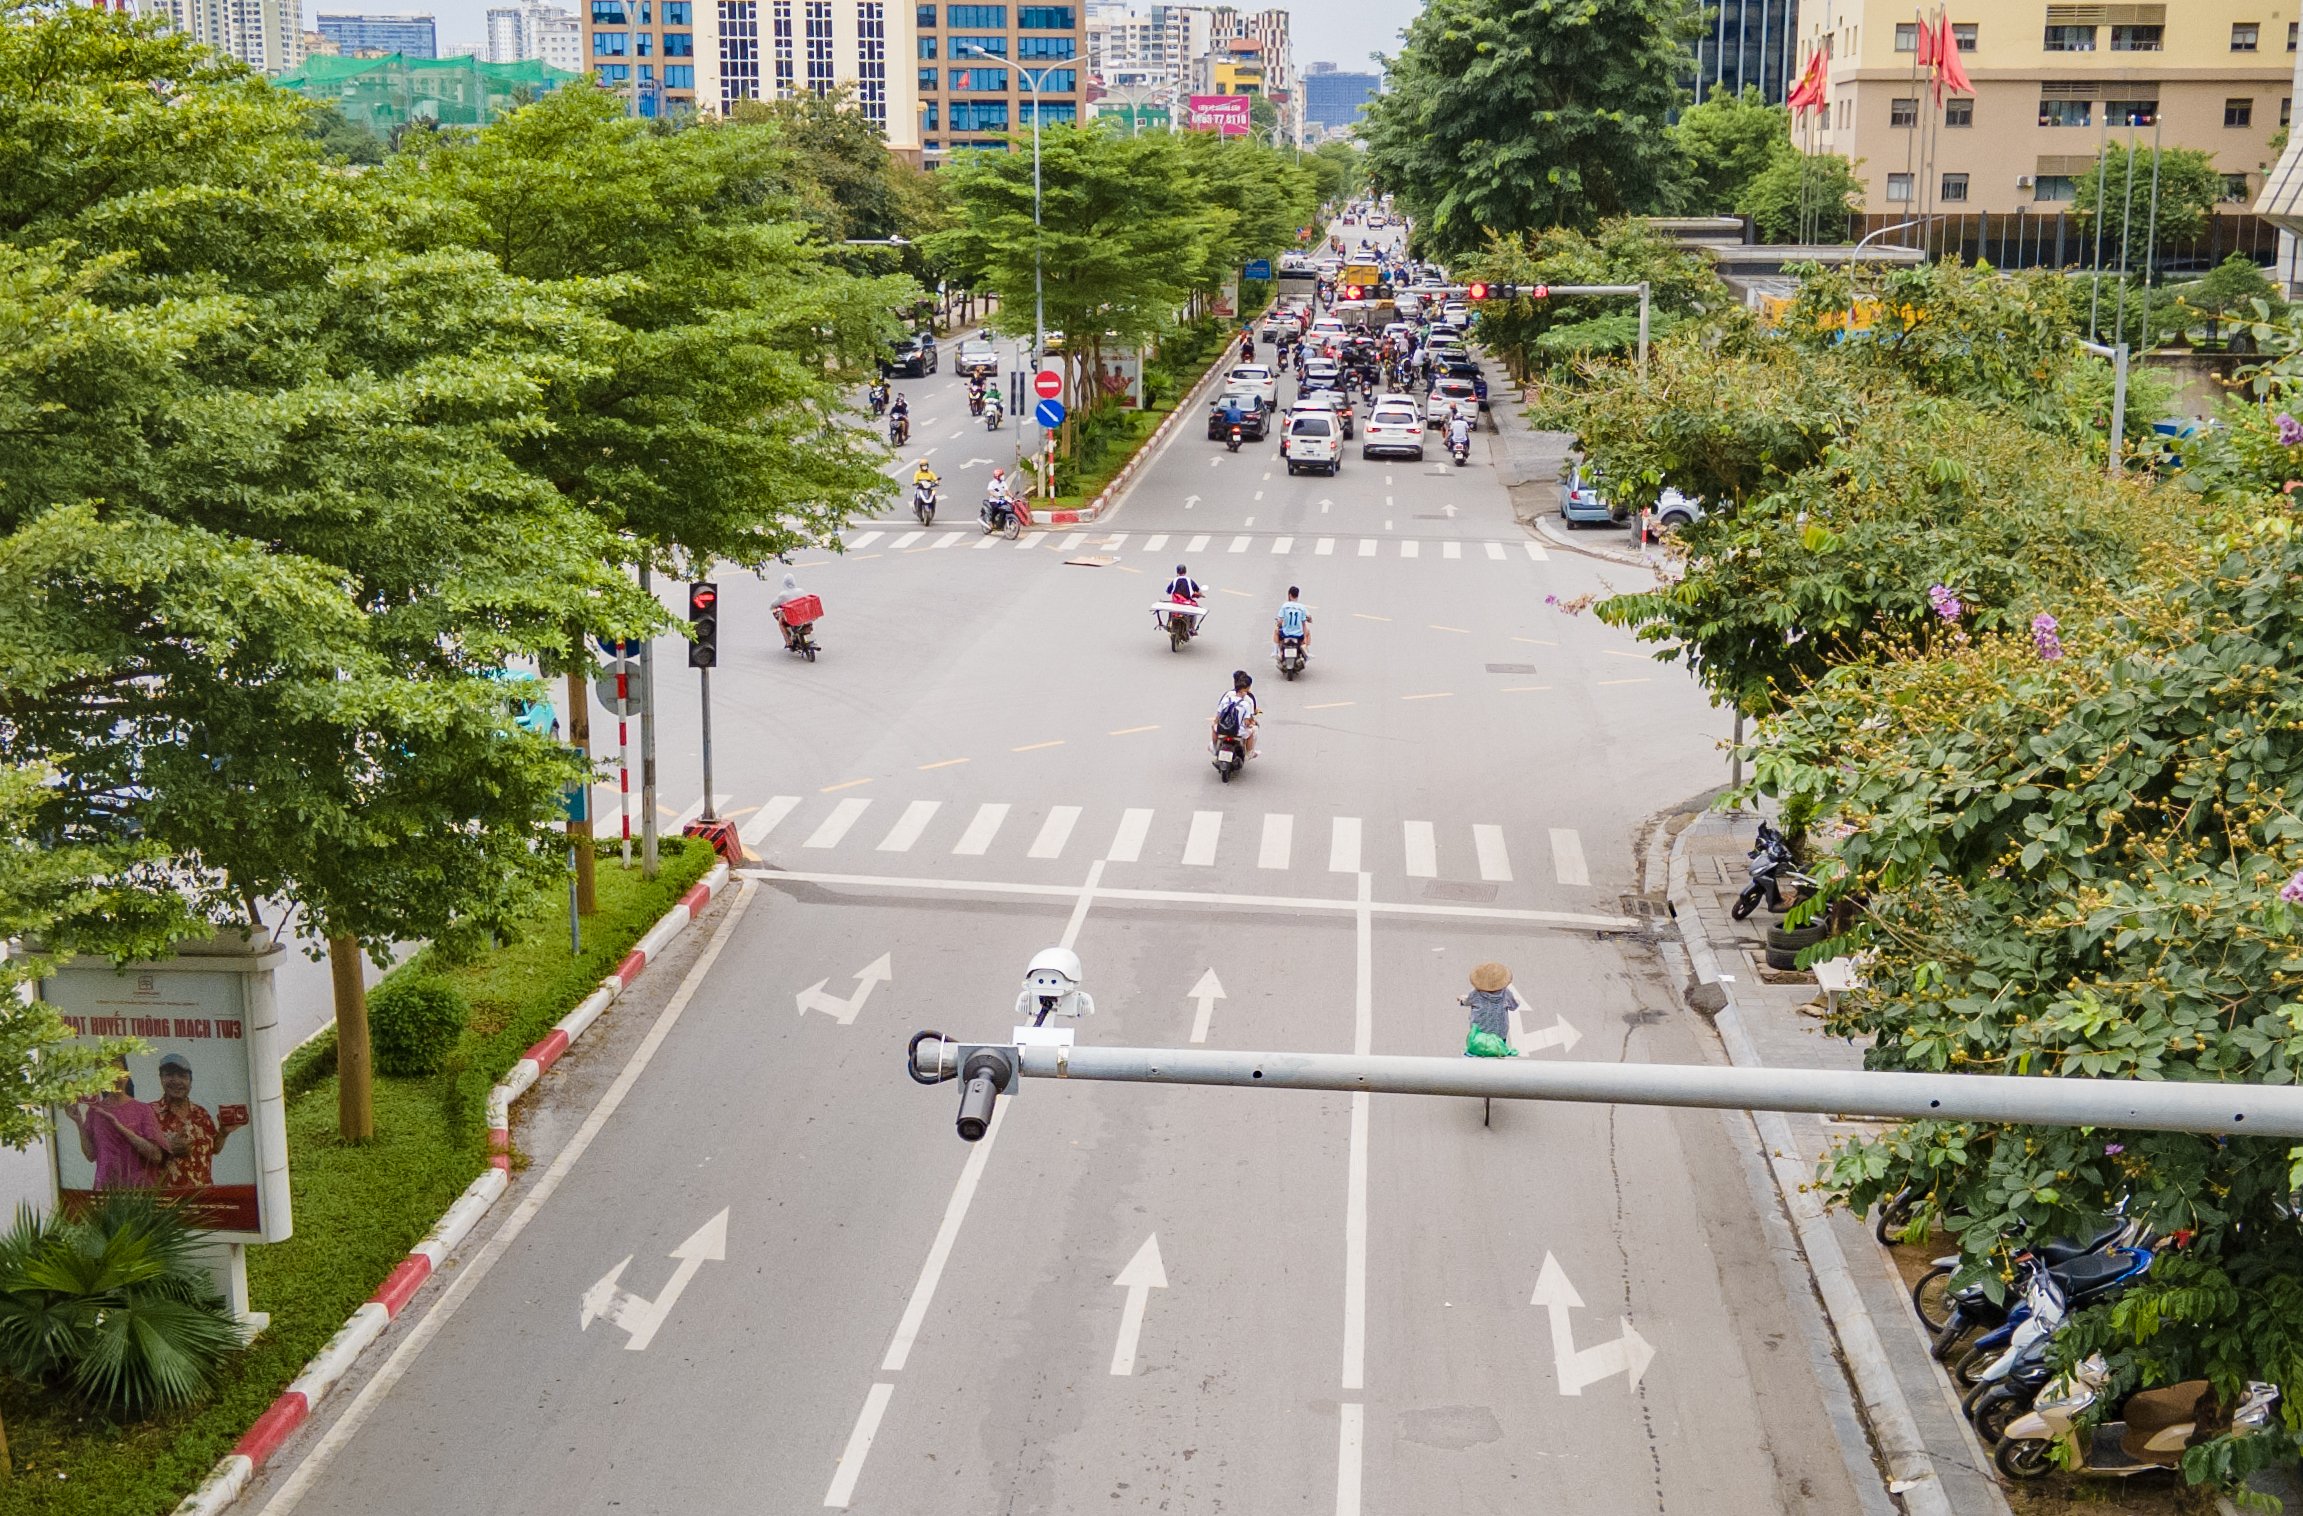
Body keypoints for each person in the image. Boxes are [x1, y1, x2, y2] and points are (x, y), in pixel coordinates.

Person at [65, 1061, 169, 1190]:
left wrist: (119, 1127)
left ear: (127, 1075)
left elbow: (156, 1156)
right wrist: (79, 1122)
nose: (116, 1078)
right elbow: (90, 1155)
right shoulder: (95, 1111)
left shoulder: (143, 1110)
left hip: (139, 1192)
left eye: (119, 1072)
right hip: (106, 1191)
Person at [150, 1053, 244, 1188]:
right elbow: (139, 1156)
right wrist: (167, 1148)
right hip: (168, 1203)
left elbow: (213, 1149)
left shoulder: (201, 1114)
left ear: (190, 1082)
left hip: (205, 1199)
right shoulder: (148, 1113)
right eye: (169, 1075)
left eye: (182, 1076)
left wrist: (223, 1133)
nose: (176, 1081)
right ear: (161, 1078)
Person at [1459, 961, 1522, 1058]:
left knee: (1475, 1050)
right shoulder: (1506, 993)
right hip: (1499, 1034)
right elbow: (1514, 1006)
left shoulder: (1475, 993)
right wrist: (1517, 1002)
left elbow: (1467, 1002)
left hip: (1478, 1034)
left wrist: (1462, 1000)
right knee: (1499, 1049)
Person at [1212, 669, 1259, 760]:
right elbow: (1247, 722)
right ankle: (1249, 753)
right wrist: (1251, 724)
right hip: (1237, 731)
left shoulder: (1226, 697)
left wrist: (1216, 723)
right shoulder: (1247, 701)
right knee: (1253, 730)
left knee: (1213, 727)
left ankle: (1214, 748)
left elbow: (1218, 716)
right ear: (1246, 689)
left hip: (1222, 729)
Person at [771, 571, 813, 649]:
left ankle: (788, 641)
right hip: (804, 616)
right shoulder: (801, 591)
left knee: (781, 622)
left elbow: (773, 605)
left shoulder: (783, 595)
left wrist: (773, 607)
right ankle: (809, 639)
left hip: (792, 619)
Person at [1273, 585, 1312, 662]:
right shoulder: (1302, 607)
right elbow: (1304, 624)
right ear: (1297, 596)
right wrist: (1304, 638)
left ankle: (1275, 651)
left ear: (1289, 595)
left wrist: (1278, 624)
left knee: (1276, 631)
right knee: (1308, 632)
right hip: (1298, 634)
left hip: (1286, 633)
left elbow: (1280, 621)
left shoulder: (1284, 606)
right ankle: (1305, 649)